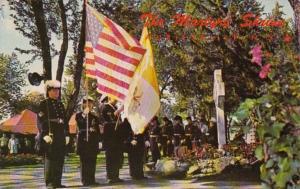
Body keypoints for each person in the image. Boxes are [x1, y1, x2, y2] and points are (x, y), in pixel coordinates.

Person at [37, 80, 69, 188]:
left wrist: (67, 133)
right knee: (51, 159)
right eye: (54, 90)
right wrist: (44, 133)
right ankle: (50, 183)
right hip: (50, 134)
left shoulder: (60, 104)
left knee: (60, 158)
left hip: (60, 134)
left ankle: (57, 182)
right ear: (48, 91)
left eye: (58, 90)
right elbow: (41, 120)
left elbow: (65, 120)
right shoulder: (44, 103)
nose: (57, 92)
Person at [75, 96, 101, 186]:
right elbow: (80, 124)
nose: (88, 105)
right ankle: (85, 180)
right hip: (83, 141)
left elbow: (97, 130)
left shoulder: (95, 117)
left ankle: (92, 179)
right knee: (85, 161)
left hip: (92, 142)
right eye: (86, 103)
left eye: (90, 103)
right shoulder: (79, 115)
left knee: (92, 161)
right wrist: (84, 114)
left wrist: (99, 141)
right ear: (82, 104)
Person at [101, 97, 124, 184]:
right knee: (110, 157)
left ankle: (116, 175)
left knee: (117, 157)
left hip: (116, 137)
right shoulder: (105, 107)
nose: (116, 99)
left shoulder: (114, 108)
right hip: (109, 137)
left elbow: (119, 122)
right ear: (110, 97)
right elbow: (106, 122)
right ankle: (110, 176)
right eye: (114, 98)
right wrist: (117, 112)